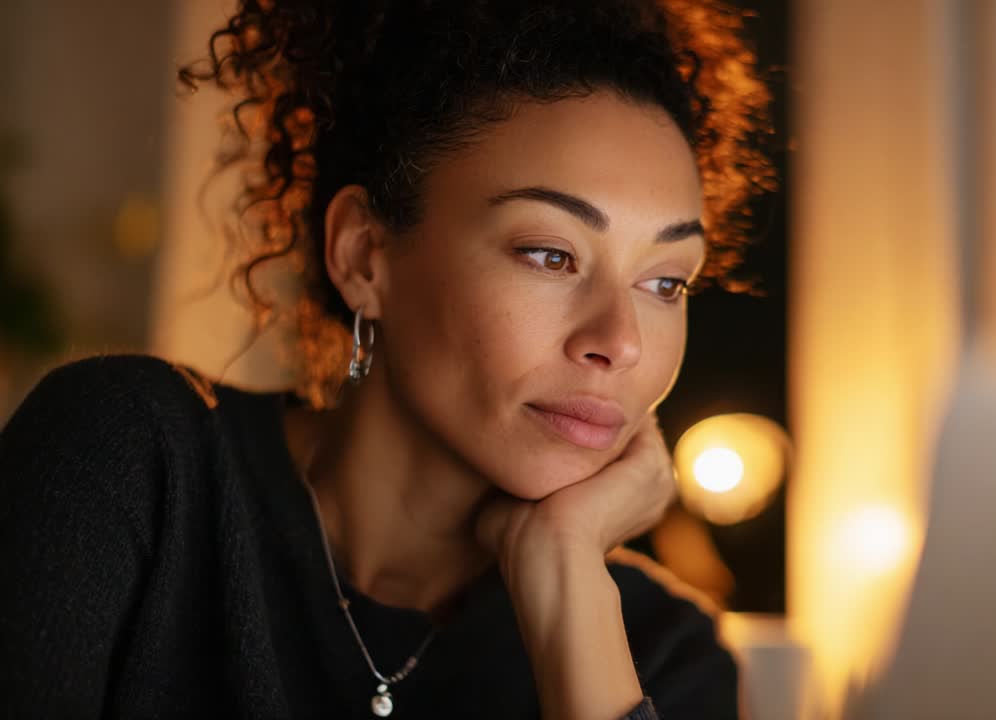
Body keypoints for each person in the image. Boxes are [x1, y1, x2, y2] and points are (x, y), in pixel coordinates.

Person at [0, 0, 773, 717]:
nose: (622, 340)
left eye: (665, 282)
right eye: (548, 255)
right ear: (365, 256)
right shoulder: (134, 464)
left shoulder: (663, 656)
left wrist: (568, 579)